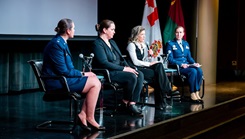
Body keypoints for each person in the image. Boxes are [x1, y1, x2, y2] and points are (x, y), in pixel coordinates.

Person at [42, 18, 105, 132]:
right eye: (74, 28)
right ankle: (88, 117)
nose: (75, 30)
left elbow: (68, 69)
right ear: (68, 31)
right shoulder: (56, 45)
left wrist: (85, 74)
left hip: (64, 79)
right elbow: (64, 71)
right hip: (58, 82)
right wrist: (83, 73)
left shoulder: (61, 42)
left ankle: (83, 115)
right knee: (95, 83)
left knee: (94, 79)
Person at [92, 19, 144, 116]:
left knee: (139, 74)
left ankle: (131, 103)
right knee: (131, 77)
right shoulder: (97, 43)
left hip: (118, 69)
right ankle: (124, 103)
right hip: (108, 71)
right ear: (104, 30)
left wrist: (129, 67)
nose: (114, 32)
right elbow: (103, 63)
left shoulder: (112, 42)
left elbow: (121, 59)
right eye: (112, 29)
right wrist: (124, 69)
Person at [126, 25, 180, 110]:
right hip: (135, 68)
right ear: (136, 35)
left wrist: (148, 56)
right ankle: (166, 94)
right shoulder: (131, 45)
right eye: (142, 34)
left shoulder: (143, 45)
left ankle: (164, 98)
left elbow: (144, 60)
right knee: (158, 77)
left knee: (159, 66)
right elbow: (135, 62)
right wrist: (149, 64)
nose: (144, 36)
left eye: (144, 34)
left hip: (143, 67)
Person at [166, 26, 203, 103]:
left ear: (183, 34)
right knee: (193, 71)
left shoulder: (186, 43)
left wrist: (194, 63)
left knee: (199, 70)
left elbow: (189, 57)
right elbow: (170, 59)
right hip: (178, 67)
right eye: (177, 32)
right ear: (175, 33)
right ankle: (192, 93)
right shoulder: (170, 43)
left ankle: (197, 92)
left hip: (187, 65)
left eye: (180, 32)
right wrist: (181, 64)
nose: (178, 34)